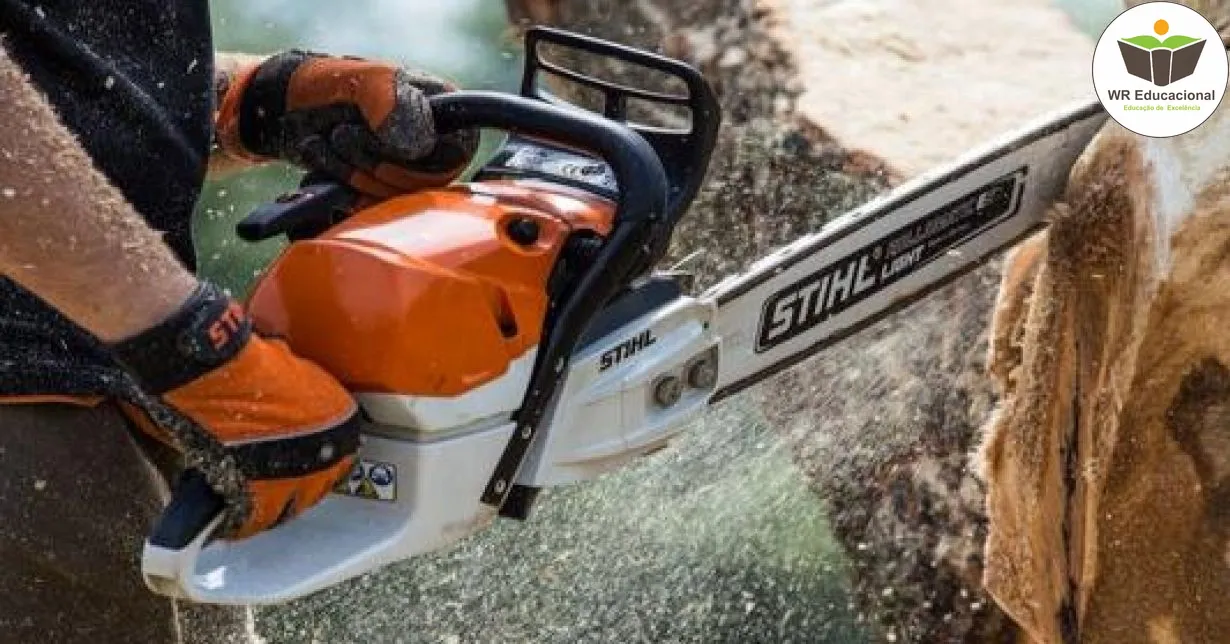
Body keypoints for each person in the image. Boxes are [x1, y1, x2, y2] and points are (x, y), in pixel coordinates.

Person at [0, 2, 477, 642]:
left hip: (116, 398)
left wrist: (248, 103)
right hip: (33, 419)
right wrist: (189, 340)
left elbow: (52, 60)